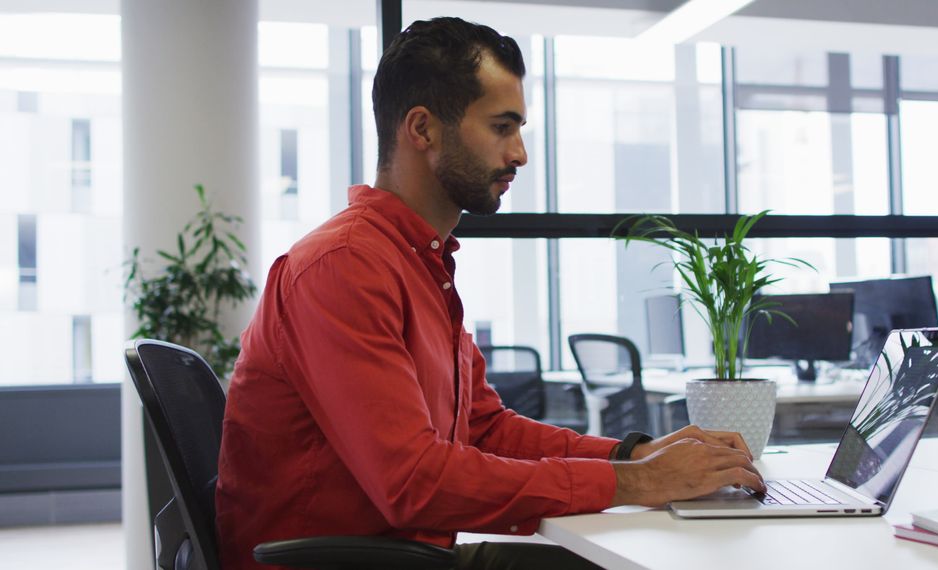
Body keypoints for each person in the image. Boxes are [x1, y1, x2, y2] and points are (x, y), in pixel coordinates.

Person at [216, 16, 765, 570]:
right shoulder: (345, 268)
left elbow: (485, 428)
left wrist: (634, 454)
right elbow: (413, 483)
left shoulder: (417, 262)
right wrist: (636, 481)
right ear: (423, 130)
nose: (520, 154)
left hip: (400, 552)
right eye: (502, 127)